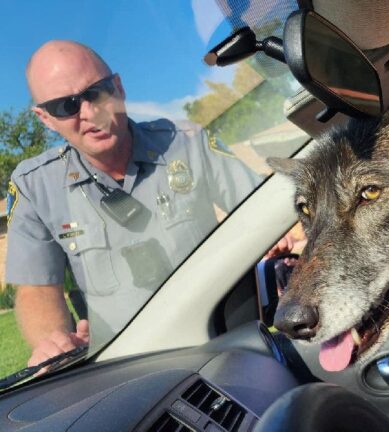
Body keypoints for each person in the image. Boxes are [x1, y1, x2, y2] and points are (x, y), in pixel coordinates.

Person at [5, 40, 289, 368]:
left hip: (220, 347)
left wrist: (288, 240)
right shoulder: (35, 186)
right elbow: (37, 287)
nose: (89, 113)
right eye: (65, 106)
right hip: (122, 366)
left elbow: (265, 208)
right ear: (45, 118)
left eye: (96, 92)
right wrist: (53, 342)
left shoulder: (186, 142)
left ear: (119, 87)